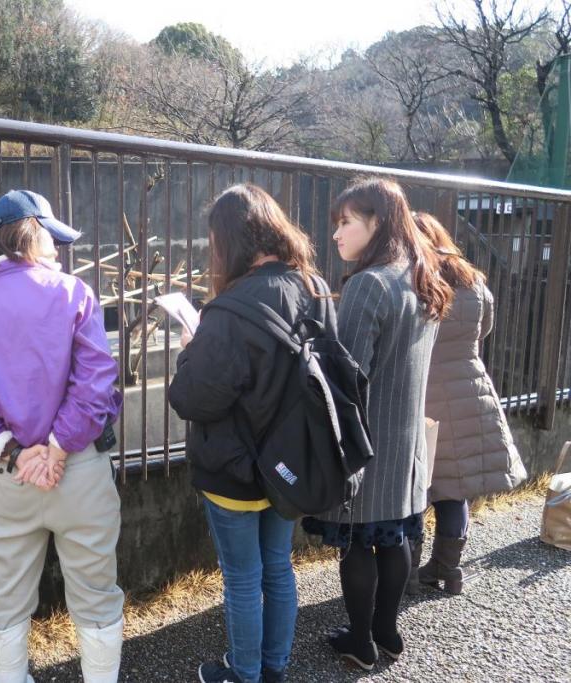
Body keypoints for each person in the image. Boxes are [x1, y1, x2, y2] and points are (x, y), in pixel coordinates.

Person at [0, 190, 124, 683]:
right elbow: (97, 381)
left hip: (10, 477)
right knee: (97, 596)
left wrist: (17, 453)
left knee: (6, 598)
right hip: (79, 469)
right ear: (31, 235)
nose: (59, 251)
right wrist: (59, 447)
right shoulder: (73, 294)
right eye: (53, 239)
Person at [169, 184, 332, 683]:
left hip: (235, 471)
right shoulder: (315, 289)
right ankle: (274, 668)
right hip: (290, 466)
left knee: (243, 579)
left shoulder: (228, 309)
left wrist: (189, 350)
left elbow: (192, 398)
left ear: (229, 241)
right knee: (279, 568)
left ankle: (244, 673)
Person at [302, 178, 453, 671]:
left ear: (377, 223)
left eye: (346, 222)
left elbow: (348, 376)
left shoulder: (369, 284)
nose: (337, 235)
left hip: (365, 439)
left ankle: (361, 643)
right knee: (393, 538)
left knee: (359, 541)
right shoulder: (421, 275)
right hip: (406, 440)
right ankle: (387, 632)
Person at [410, 211, 527, 595]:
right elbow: (484, 331)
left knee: (415, 489)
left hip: (425, 392)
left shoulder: (415, 280)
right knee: (453, 489)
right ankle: (448, 569)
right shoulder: (474, 281)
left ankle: (407, 572)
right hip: (470, 387)